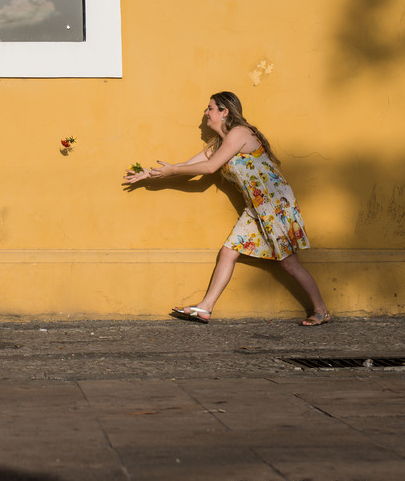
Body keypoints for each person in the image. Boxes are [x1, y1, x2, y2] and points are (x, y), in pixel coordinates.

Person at [124, 91, 330, 326]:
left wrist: (172, 171)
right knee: (228, 252)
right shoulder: (218, 145)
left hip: (274, 205)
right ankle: (205, 308)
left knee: (288, 263)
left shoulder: (240, 133)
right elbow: (186, 165)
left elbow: (210, 168)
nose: (206, 113)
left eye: (210, 108)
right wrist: (149, 174)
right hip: (256, 208)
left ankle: (321, 310)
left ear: (225, 112)